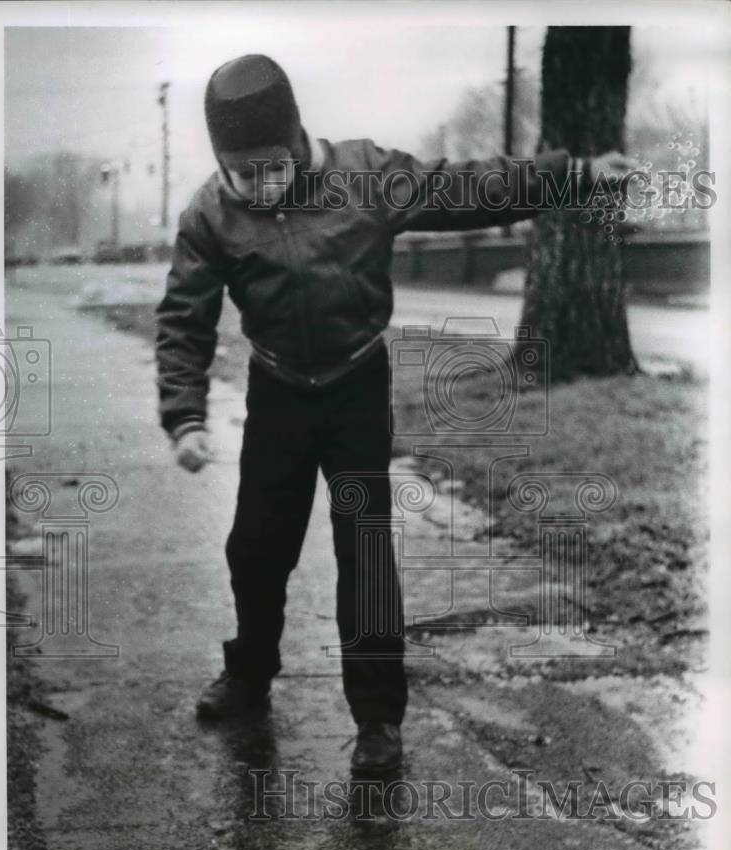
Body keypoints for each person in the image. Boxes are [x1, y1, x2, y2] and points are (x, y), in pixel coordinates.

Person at [155, 53, 632, 774]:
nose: (259, 184)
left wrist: (573, 173)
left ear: (297, 140)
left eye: (272, 166)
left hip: (353, 388)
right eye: (241, 171)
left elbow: (471, 186)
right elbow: (184, 319)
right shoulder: (209, 215)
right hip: (278, 392)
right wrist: (184, 415)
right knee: (256, 548)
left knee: (365, 553)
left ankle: (378, 717)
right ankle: (250, 671)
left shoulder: (366, 175)